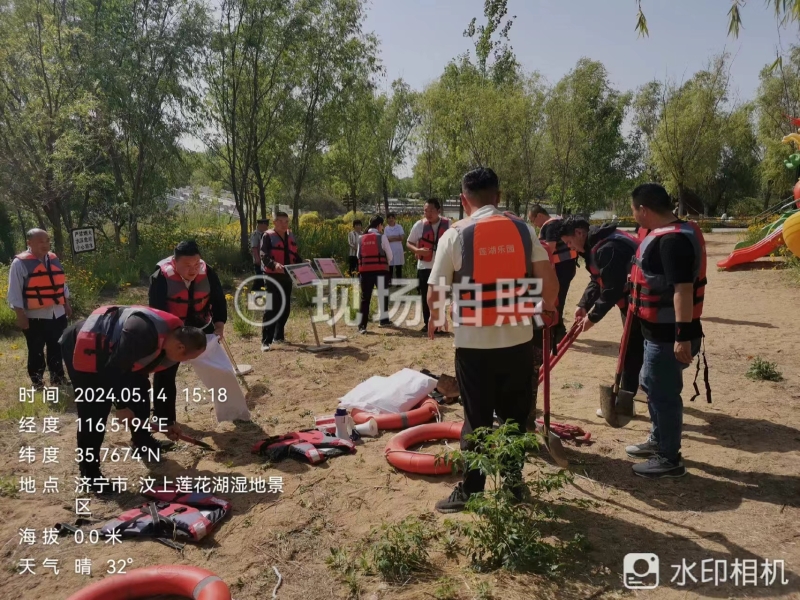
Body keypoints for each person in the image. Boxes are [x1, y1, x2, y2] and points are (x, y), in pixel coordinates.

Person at [426, 167, 559, 513]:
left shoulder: (454, 235)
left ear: (463, 200)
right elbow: (550, 284)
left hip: (474, 348)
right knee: (514, 417)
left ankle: (472, 490)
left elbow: (435, 292)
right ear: (498, 197)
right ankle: (514, 486)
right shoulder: (523, 230)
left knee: (477, 418)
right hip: (518, 344)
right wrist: (547, 308)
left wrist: (437, 317)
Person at [58, 305, 206, 490]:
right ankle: (90, 475)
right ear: (180, 347)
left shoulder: (172, 340)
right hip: (83, 346)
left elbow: (161, 382)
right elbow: (113, 370)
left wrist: (167, 422)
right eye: (188, 358)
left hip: (117, 357)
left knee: (141, 393)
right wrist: (121, 406)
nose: (186, 362)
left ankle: (142, 442)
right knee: (94, 412)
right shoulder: (140, 333)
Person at [627, 183, 707, 479]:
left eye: (633, 210)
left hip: (669, 336)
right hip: (655, 333)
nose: (633, 215)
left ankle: (669, 459)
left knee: (664, 395)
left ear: (643, 210)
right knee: (650, 386)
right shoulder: (665, 234)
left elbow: (683, 291)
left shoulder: (673, 241)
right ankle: (658, 440)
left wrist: (682, 336)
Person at [556, 216, 645, 416]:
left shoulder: (608, 248)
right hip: (633, 304)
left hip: (642, 305)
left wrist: (593, 317)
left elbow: (612, 289)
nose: (570, 247)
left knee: (631, 352)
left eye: (569, 242)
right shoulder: (595, 245)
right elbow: (598, 280)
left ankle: (625, 404)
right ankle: (630, 397)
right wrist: (583, 305)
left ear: (579, 233)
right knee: (632, 350)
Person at [148, 239, 227, 431]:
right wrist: (167, 338)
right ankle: (163, 417)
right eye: (187, 265)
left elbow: (218, 298)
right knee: (164, 372)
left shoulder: (207, 272)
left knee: (220, 366)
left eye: (196, 264)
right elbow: (156, 310)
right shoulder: (161, 277)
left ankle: (232, 410)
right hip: (172, 329)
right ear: (175, 263)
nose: (193, 270)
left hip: (202, 324)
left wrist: (219, 324)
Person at [8, 228, 72, 389]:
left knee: (57, 346)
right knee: (36, 349)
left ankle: (58, 378)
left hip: (57, 313)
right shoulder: (19, 263)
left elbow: (62, 284)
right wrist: (20, 315)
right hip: (34, 316)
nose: (45, 244)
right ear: (29, 243)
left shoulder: (53, 259)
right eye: (40, 242)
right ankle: (37, 381)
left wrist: (66, 303)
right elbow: (14, 292)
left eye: (47, 241)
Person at [528, 205, 578, 353]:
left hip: (560, 269)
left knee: (556, 300)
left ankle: (558, 332)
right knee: (557, 299)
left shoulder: (550, 226)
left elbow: (548, 249)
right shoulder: (557, 222)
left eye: (533, 220)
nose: (534, 224)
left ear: (539, 216)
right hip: (566, 267)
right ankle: (558, 330)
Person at [260, 211, 303, 351]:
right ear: (274, 222)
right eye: (280, 221)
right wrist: (274, 265)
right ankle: (266, 341)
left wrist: (303, 263)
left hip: (287, 276)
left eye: (286, 221)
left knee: (285, 307)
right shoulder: (267, 236)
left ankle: (278, 336)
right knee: (272, 307)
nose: (284, 224)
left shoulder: (290, 235)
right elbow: (264, 256)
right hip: (272, 276)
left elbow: (294, 254)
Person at [407, 199, 449, 333]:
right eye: (426, 211)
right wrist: (417, 250)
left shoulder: (448, 224)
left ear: (438, 211)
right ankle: (427, 323)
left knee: (440, 296)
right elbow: (409, 242)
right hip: (424, 266)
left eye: (431, 210)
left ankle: (439, 324)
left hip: (442, 266)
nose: (428, 214)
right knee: (426, 296)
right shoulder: (419, 225)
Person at [357, 215, 393, 333]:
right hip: (380, 271)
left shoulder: (361, 238)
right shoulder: (382, 237)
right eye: (382, 225)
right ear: (379, 225)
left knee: (365, 299)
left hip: (365, 272)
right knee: (383, 295)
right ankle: (383, 320)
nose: (383, 227)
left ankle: (362, 326)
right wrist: (385, 263)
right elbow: (390, 255)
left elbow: (358, 255)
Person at [384, 213, 405, 281]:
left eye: (392, 218)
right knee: (390, 268)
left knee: (398, 267)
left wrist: (391, 237)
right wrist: (396, 237)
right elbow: (386, 239)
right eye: (389, 218)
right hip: (390, 249)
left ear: (394, 219)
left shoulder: (399, 227)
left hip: (398, 249)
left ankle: (399, 283)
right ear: (387, 219)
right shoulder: (386, 228)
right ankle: (390, 282)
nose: (391, 219)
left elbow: (401, 238)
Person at [250, 219, 270, 291]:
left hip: (265, 260)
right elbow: (254, 248)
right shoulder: (255, 234)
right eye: (266, 225)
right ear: (261, 225)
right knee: (259, 277)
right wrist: (257, 259)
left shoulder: (265, 234)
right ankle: (254, 292)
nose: (267, 227)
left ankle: (260, 292)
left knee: (262, 278)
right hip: (259, 260)